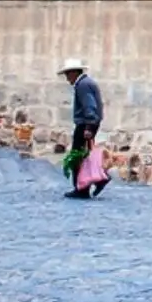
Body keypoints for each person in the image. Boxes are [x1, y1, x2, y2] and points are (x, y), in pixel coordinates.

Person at [59, 57, 106, 199]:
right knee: (85, 156)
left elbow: (89, 106)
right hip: (89, 123)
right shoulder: (87, 83)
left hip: (85, 124)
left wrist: (89, 127)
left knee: (77, 157)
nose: (67, 78)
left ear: (74, 72)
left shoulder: (83, 85)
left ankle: (83, 188)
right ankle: (91, 183)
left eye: (68, 74)